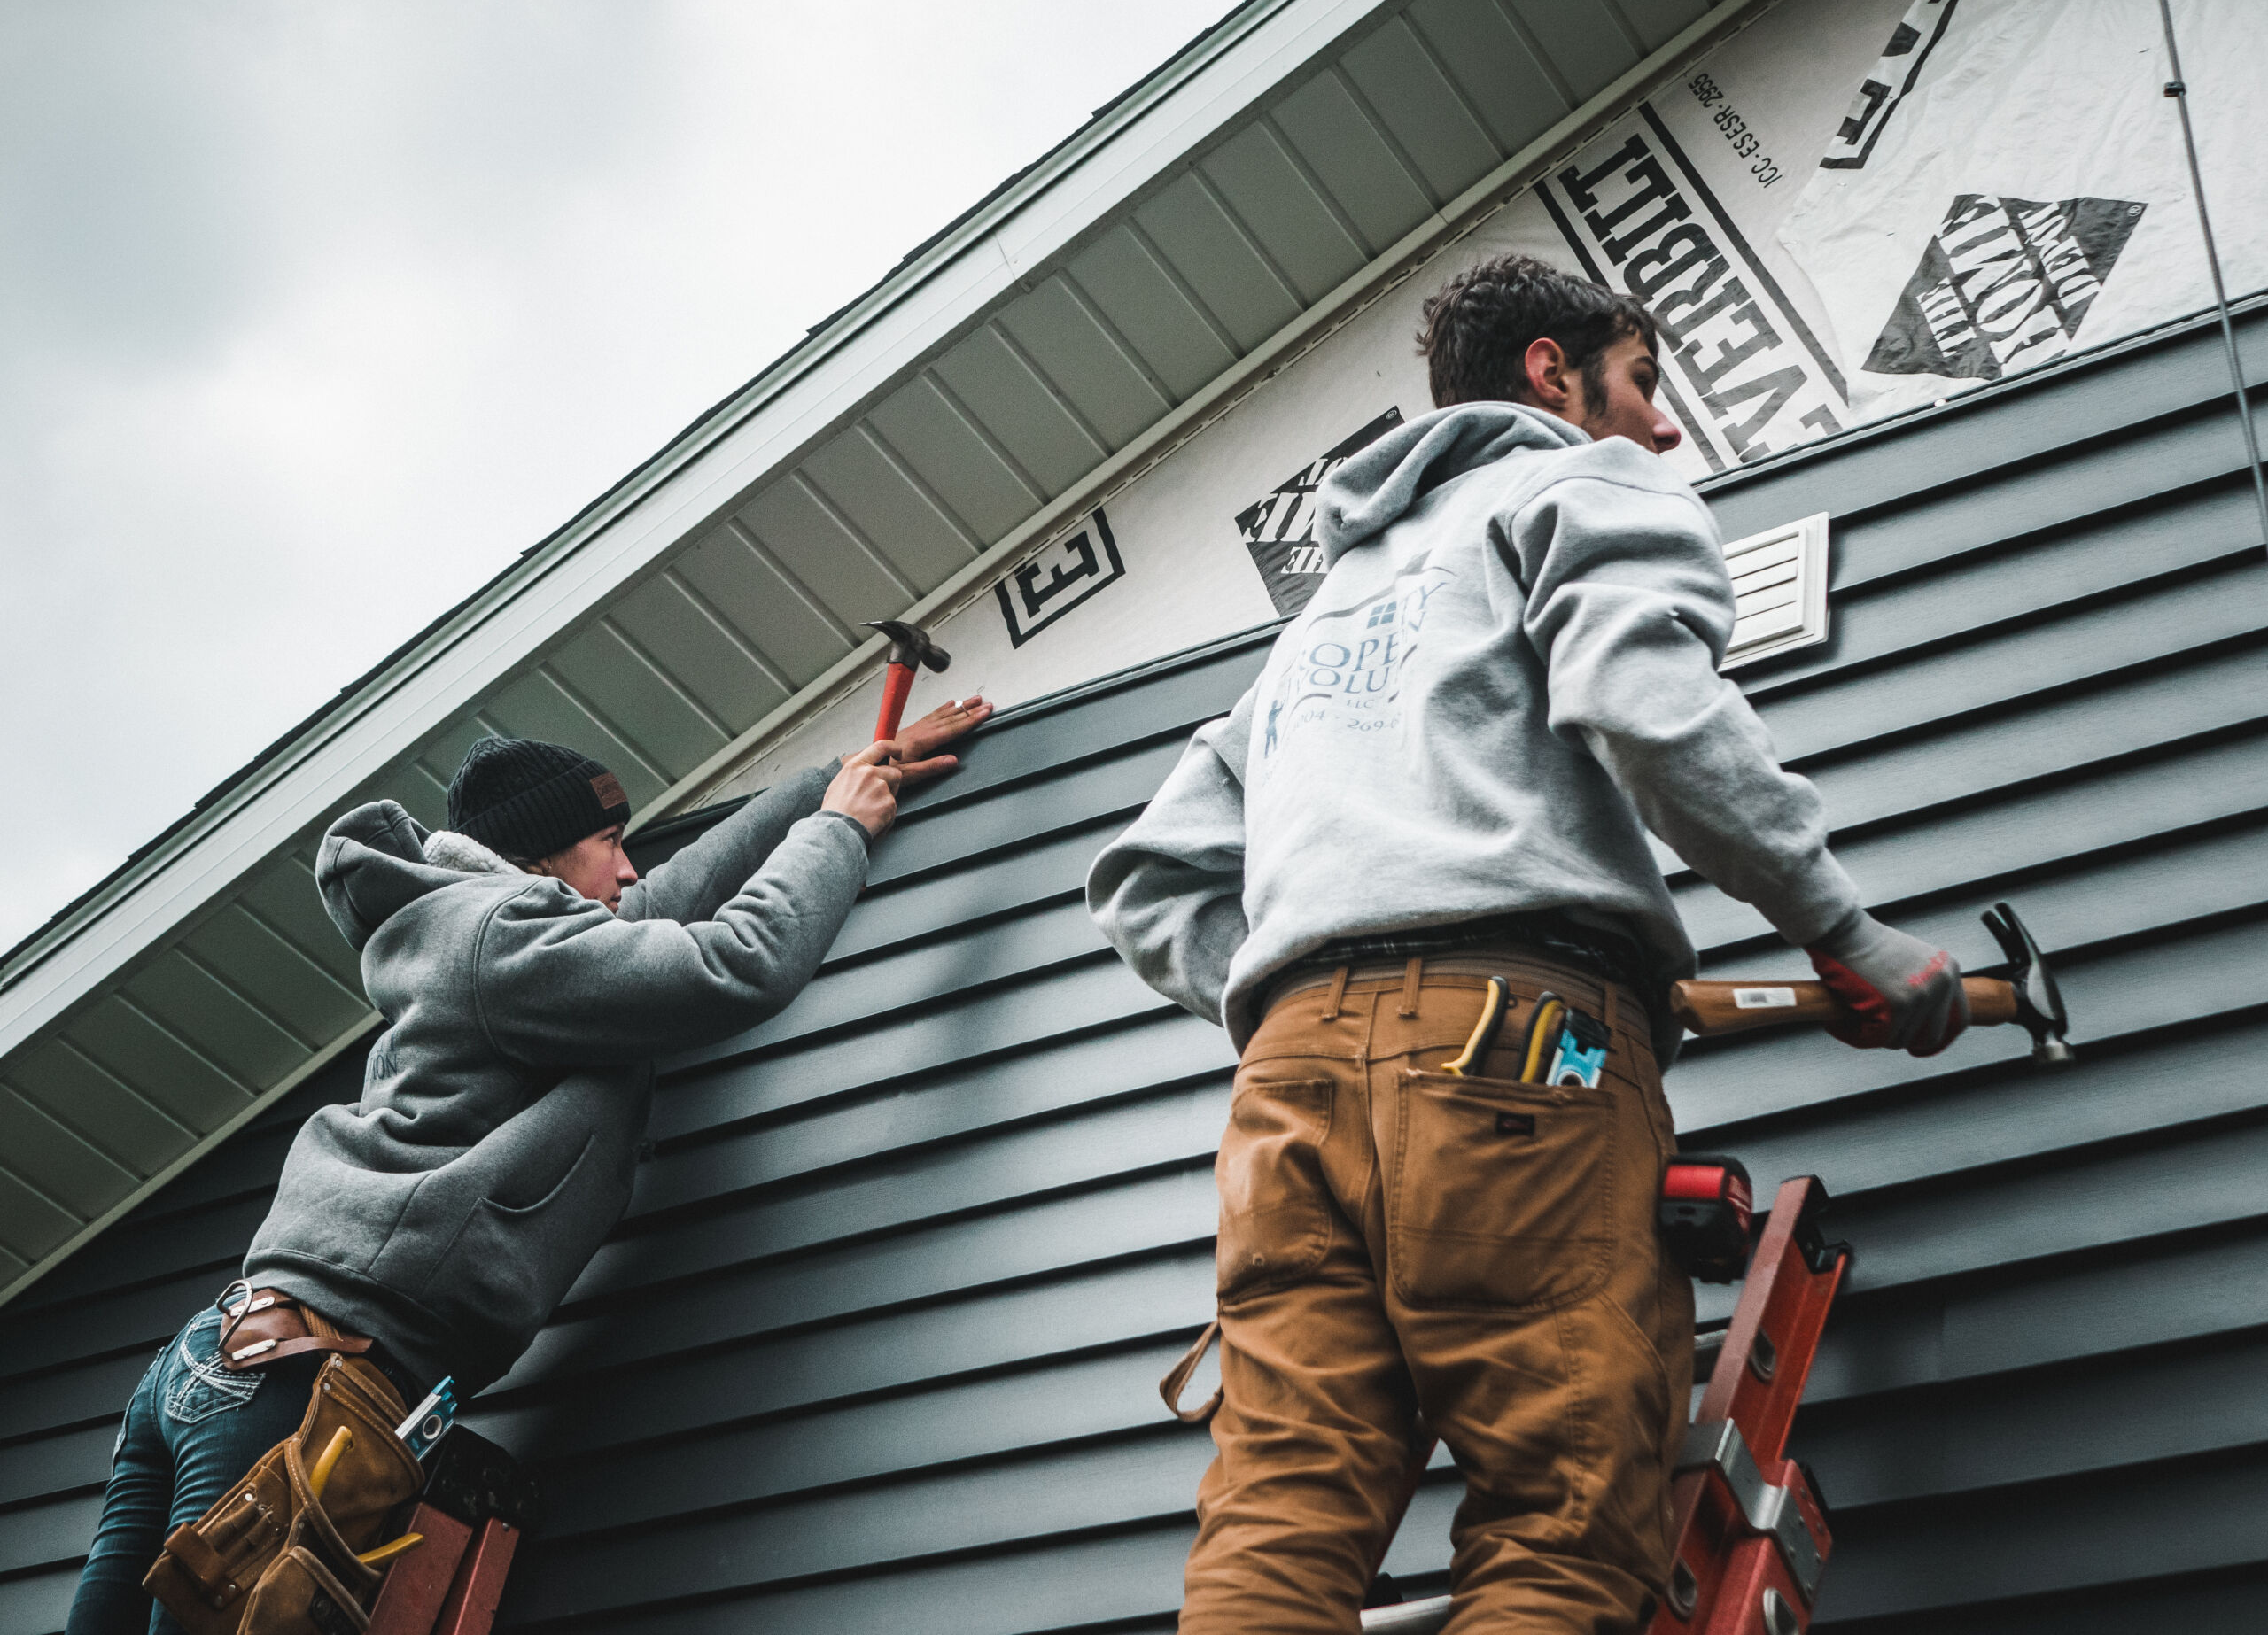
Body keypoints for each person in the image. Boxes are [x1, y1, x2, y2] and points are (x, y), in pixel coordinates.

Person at [1088, 254, 1963, 1633]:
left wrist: (1318, 1011)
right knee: (1565, 1513)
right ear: (1553, 376)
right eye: (1643, 386)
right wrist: (1844, 931)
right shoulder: (1577, 482)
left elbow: (1145, 879)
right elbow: (1648, 700)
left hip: (1288, 1088)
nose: (1666, 429)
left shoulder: (1317, 628)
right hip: (1524, 1049)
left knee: (1282, 1518)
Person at [66, 695, 990, 1635]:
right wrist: (839, 828)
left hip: (226, 1359)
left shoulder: (488, 936)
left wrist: (828, 779)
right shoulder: (503, 937)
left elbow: (658, 908)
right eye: (609, 841)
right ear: (544, 856)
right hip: (305, 1379)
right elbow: (735, 963)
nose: (630, 866)